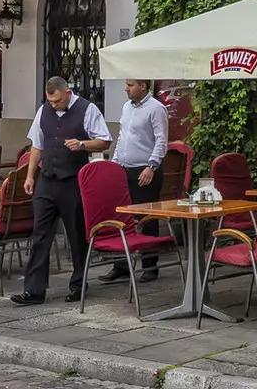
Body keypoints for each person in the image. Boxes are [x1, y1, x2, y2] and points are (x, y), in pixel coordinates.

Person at [10, 75, 111, 306]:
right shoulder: (43, 111)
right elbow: (37, 145)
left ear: (67, 93)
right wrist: (29, 176)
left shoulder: (88, 109)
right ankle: (34, 290)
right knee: (40, 235)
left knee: (76, 235)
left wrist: (82, 144)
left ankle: (78, 285)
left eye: (57, 101)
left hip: (74, 181)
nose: (53, 105)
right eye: (50, 101)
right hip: (47, 180)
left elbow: (105, 141)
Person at [105, 78, 170, 283]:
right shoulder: (126, 107)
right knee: (122, 217)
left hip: (145, 170)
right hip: (124, 168)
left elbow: (161, 140)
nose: (126, 88)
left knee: (147, 218)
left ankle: (150, 266)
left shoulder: (156, 109)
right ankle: (121, 265)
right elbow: (123, 137)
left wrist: (152, 166)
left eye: (130, 85)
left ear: (143, 86)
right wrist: (114, 163)